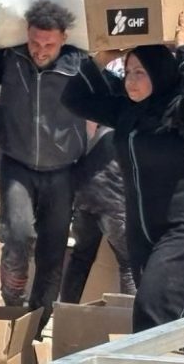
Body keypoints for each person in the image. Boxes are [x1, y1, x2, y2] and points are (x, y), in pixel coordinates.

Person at [62, 10, 184, 332]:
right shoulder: (125, 111)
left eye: (140, 73)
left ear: (159, 74)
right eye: (128, 72)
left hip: (183, 224)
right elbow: (73, 98)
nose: (131, 80)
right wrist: (101, 59)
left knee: (154, 307)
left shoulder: (179, 111)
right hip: (141, 226)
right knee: (153, 315)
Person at [0, 0, 88, 333]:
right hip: (16, 164)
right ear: (26, 34)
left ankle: (37, 323)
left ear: (64, 39)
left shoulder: (78, 64)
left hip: (63, 170)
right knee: (18, 234)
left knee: (52, 252)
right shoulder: (11, 58)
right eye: (35, 42)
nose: (40, 51)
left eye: (49, 45)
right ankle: (12, 303)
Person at [60, 122, 136, 303]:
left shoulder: (105, 130)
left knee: (81, 257)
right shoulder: (139, 133)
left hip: (85, 197)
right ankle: (129, 316)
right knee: (129, 263)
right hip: (114, 202)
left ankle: (66, 310)